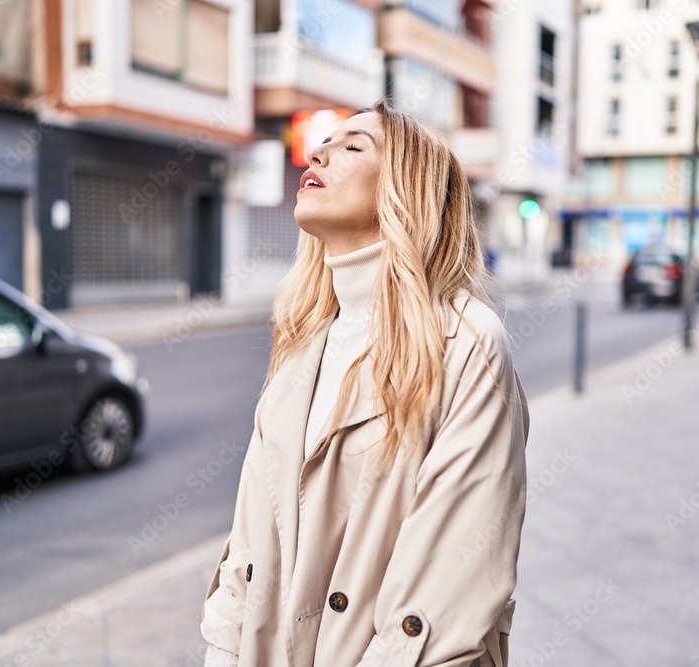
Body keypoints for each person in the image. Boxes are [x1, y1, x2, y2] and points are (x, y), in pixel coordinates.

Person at [200, 99, 530, 666]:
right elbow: (249, 540)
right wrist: (222, 652)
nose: (318, 153)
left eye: (353, 147)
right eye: (325, 143)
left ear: (404, 191)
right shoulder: (304, 337)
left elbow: (445, 588)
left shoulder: (468, 343)